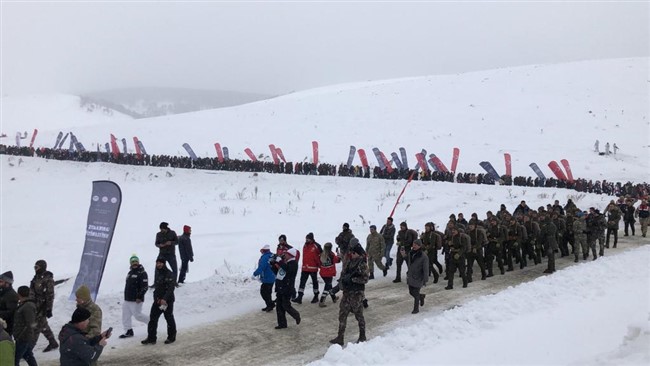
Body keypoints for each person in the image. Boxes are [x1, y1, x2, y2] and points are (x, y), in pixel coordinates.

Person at [329, 245, 369, 345]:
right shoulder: (349, 263)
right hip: (347, 292)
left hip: (357, 293)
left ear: (358, 254)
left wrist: (353, 280)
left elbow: (365, 279)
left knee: (359, 315)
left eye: (354, 253)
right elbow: (343, 275)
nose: (352, 254)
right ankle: (340, 337)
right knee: (342, 314)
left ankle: (362, 335)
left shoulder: (362, 264)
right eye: (352, 252)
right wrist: (342, 283)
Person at [142, 257, 176, 345]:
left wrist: (164, 299)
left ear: (164, 264)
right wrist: (156, 299)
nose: (159, 264)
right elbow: (157, 288)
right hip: (157, 301)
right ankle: (151, 338)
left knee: (168, 318)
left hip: (167, 301)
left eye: (160, 263)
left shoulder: (169, 274)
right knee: (152, 319)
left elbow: (170, 289)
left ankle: (171, 336)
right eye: (157, 263)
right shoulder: (157, 273)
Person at [30, 259, 58, 352]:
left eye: (36, 267)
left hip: (42, 307)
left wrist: (49, 309)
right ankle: (53, 342)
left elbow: (50, 295)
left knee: (36, 327)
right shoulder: (36, 278)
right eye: (34, 267)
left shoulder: (48, 279)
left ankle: (28, 349)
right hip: (35, 306)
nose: (35, 269)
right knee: (43, 325)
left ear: (42, 267)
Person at [119, 254, 149, 338]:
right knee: (125, 315)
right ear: (130, 263)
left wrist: (139, 296)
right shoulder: (130, 272)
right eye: (132, 262)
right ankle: (128, 331)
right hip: (127, 299)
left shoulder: (142, 273)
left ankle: (152, 323)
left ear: (138, 262)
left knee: (138, 315)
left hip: (136, 300)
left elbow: (145, 286)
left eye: (136, 261)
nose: (134, 263)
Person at [272, 248, 301, 329]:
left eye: (286, 254)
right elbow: (279, 272)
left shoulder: (293, 263)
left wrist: (280, 262)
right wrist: (273, 264)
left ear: (290, 255)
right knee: (279, 307)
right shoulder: (286, 263)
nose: (285, 255)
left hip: (287, 288)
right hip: (280, 287)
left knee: (286, 305)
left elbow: (288, 270)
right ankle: (282, 324)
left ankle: (296, 315)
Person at [293, 233, 322, 304]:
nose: (307, 240)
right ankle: (299, 297)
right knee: (302, 283)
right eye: (306, 238)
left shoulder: (317, 246)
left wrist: (319, 264)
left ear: (312, 239)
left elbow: (321, 255)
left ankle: (316, 296)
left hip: (313, 268)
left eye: (308, 239)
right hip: (305, 267)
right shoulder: (305, 245)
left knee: (315, 282)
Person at [14, 285, 38, 366]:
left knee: (15, 359)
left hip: (23, 337)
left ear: (19, 294)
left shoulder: (27, 306)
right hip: (23, 336)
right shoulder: (24, 304)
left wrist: (21, 336)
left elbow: (30, 323)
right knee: (28, 355)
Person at [406, 239, 429, 314]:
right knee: (411, 292)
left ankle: (416, 309)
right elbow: (409, 263)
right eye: (413, 244)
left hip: (418, 277)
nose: (414, 246)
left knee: (415, 293)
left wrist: (425, 279)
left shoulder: (423, 256)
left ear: (420, 246)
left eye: (416, 245)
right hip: (411, 275)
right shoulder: (410, 253)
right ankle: (421, 296)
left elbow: (426, 269)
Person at [252, 245, 276, 312]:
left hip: (267, 278)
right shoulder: (272, 255)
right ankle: (270, 304)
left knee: (264, 292)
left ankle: (270, 305)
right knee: (268, 292)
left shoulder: (265, 257)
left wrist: (255, 274)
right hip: (272, 276)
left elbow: (262, 267)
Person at [317, 242, 339, 307]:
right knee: (327, 287)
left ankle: (334, 298)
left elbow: (318, 263)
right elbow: (338, 260)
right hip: (329, 273)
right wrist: (338, 253)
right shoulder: (331, 255)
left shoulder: (321, 255)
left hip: (323, 272)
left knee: (329, 285)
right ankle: (321, 301)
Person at [0, 271, 18, 336]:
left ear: (7, 283)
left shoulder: (11, 295)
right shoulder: (2, 292)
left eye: (1, 282)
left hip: (6, 327)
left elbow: (11, 312)